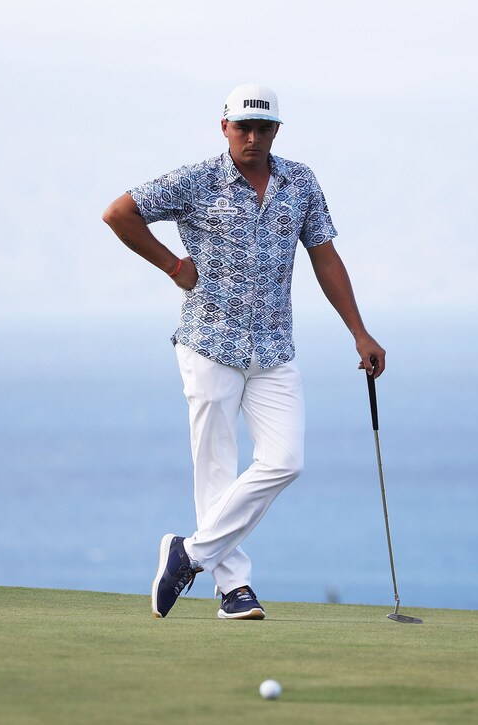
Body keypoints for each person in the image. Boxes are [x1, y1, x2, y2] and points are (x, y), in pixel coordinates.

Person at [102, 82, 385, 620]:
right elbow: (119, 213)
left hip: (274, 350)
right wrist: (172, 265)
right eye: (243, 127)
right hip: (209, 344)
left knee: (285, 460)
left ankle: (189, 554)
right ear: (224, 127)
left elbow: (325, 257)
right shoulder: (196, 179)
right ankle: (234, 589)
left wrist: (359, 331)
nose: (253, 137)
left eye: (264, 128)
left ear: (277, 130)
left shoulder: (300, 182)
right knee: (215, 468)